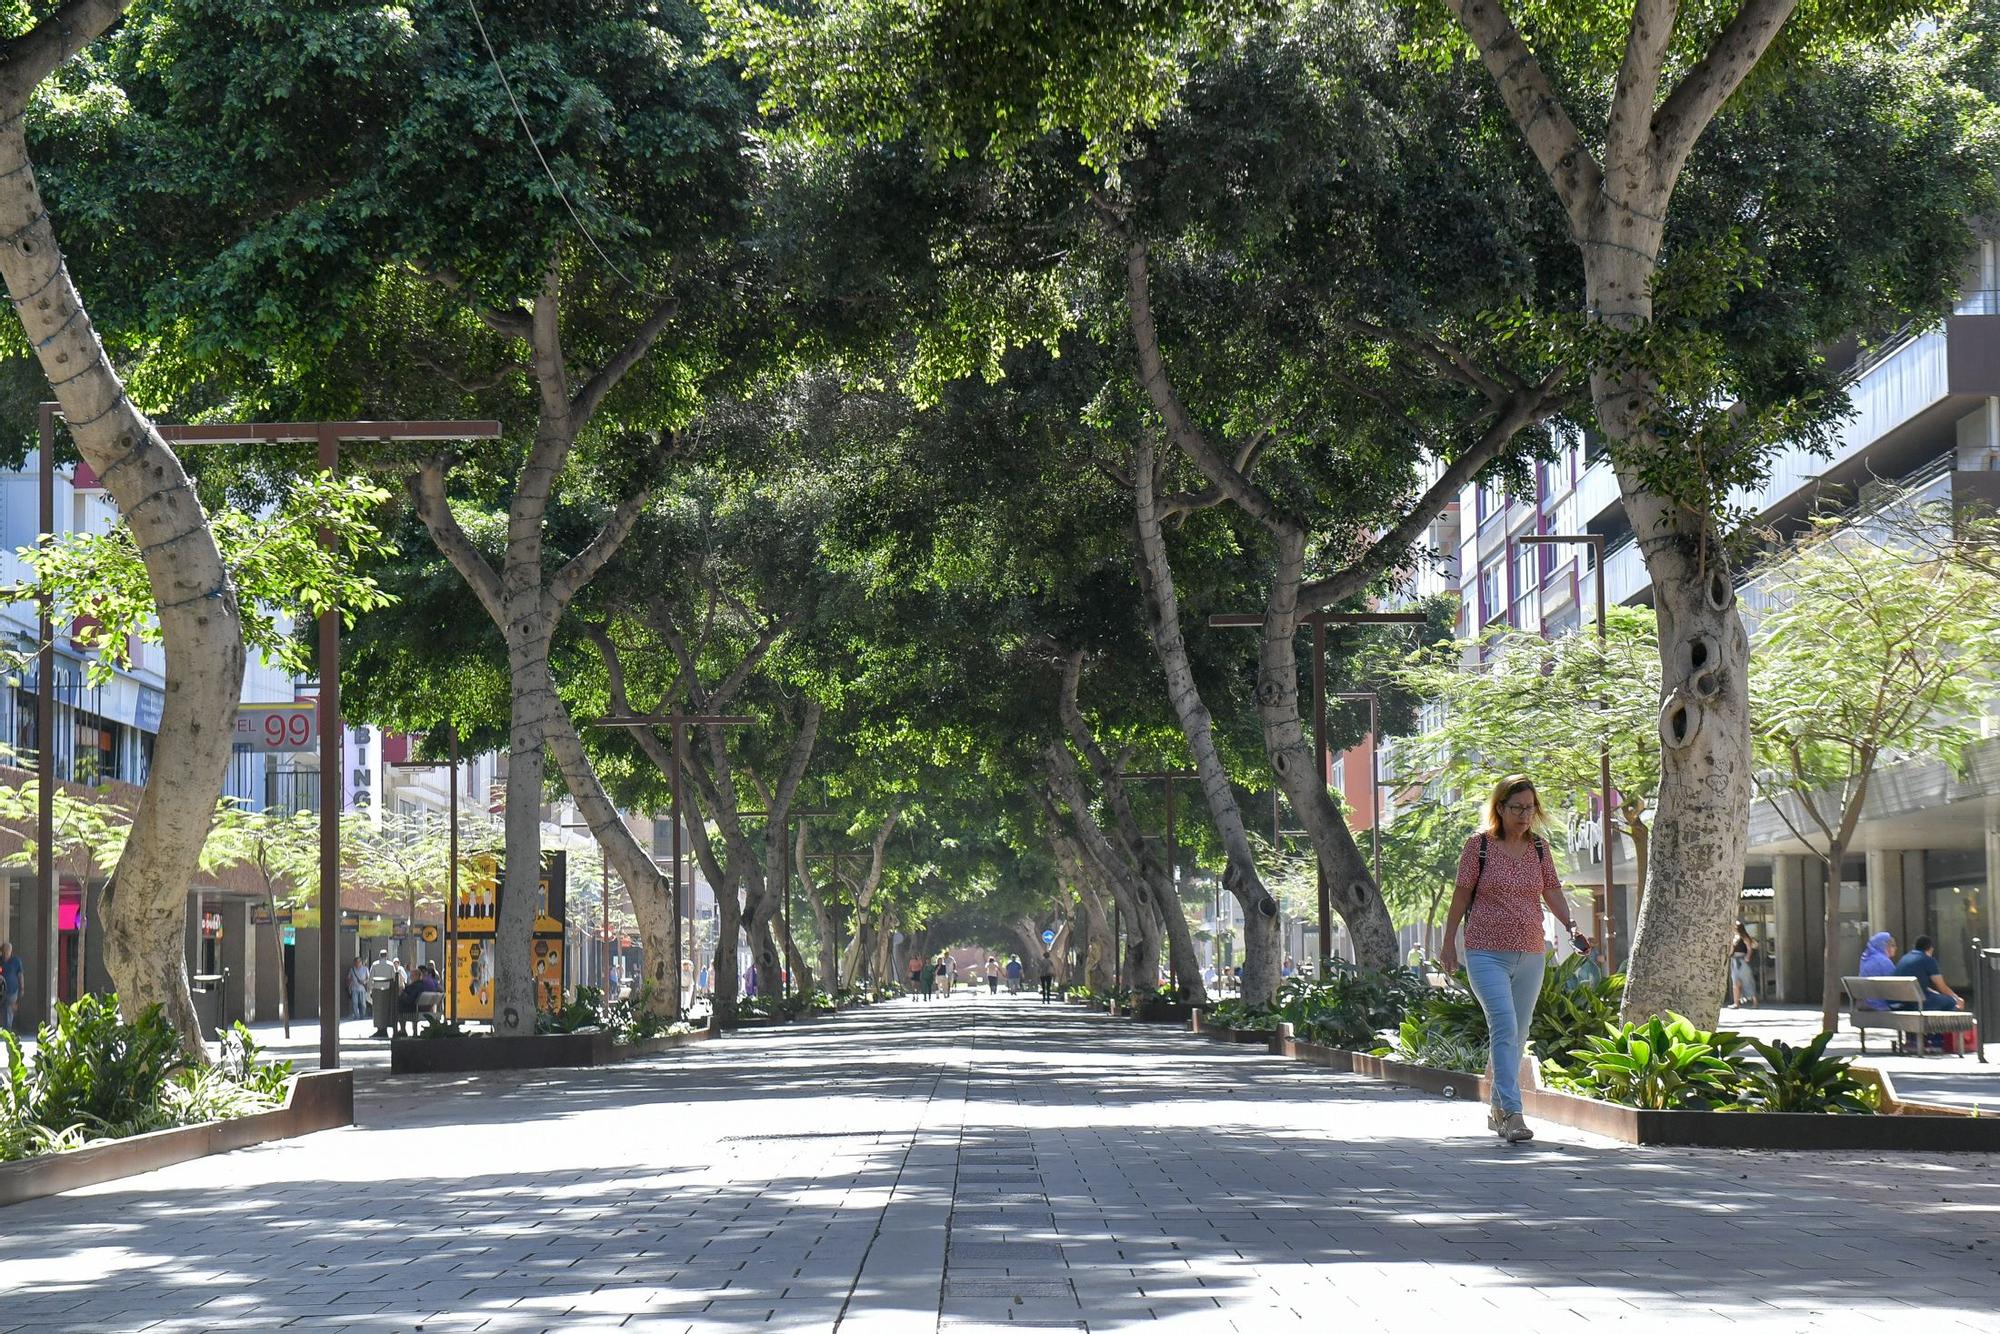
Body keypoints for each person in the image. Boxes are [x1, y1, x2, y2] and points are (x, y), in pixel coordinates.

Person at [1441, 775, 1589, 1145]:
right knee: (1505, 1025)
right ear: (1500, 808)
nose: (1525, 815)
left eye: (1530, 808)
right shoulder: (1479, 848)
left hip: (1530, 953)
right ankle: (1512, 1112)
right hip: (1485, 951)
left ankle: (1497, 1109)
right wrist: (1448, 943)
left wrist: (1570, 927)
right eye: (1517, 808)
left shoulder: (1539, 849)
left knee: (1518, 1034)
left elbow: (1552, 892)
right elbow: (1460, 898)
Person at [1895, 935, 1966, 1011]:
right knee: (1952, 1002)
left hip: (1902, 1002)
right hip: (1917, 1003)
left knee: (1939, 998)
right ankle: (1948, 1023)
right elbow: (1941, 986)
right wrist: (1956, 998)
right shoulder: (1928, 960)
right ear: (1931, 949)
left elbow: (1920, 985)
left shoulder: (1904, 958)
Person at [1857, 930, 1899, 1010]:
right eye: (1893, 945)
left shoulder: (1865, 958)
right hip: (1879, 1005)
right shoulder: (1884, 961)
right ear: (1884, 946)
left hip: (1865, 1003)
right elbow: (1894, 986)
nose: (1896, 948)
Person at [367, 949, 400, 1039]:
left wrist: (369, 990)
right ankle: (384, 1028)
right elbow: (394, 977)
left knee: (377, 1010)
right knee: (386, 1010)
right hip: (388, 990)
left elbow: (370, 978)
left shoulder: (374, 965)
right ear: (386, 955)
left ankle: (380, 1029)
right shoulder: (390, 965)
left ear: (379, 955)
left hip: (377, 989)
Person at [1728, 924, 1759, 1008]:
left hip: (1742, 960)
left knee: (1748, 981)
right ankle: (1736, 1003)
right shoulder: (1735, 938)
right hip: (1734, 960)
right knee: (1735, 982)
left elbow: (1749, 948)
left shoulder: (1744, 937)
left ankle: (1755, 1002)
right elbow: (1731, 950)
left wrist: (1747, 957)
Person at [0, 942, 21, 1033]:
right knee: (4, 1010)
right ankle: (5, 1028)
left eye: (8, 950)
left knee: (9, 1010)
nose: (6, 952)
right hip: (1, 990)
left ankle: (7, 1029)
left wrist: (22, 987)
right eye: (5, 950)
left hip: (12, 990)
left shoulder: (16, 961)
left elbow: (20, 974)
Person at [346, 955, 369, 1020]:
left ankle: (362, 1015)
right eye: (356, 962)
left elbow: (368, 978)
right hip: (354, 988)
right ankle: (356, 1015)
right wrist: (349, 986)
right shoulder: (352, 970)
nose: (357, 963)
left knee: (363, 1003)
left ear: (361, 962)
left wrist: (364, 982)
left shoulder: (365, 969)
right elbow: (348, 978)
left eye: (358, 962)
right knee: (355, 1003)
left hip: (362, 989)